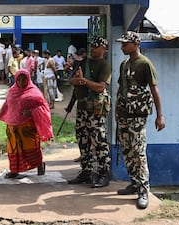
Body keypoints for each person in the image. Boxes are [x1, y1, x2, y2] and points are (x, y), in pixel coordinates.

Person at [115, 31, 165, 209]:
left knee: (139, 153)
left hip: (138, 116)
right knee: (127, 151)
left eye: (125, 43)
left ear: (136, 44)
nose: (122, 46)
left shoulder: (145, 64)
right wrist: (116, 111)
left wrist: (160, 115)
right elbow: (121, 89)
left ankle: (144, 190)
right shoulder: (124, 64)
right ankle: (135, 183)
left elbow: (154, 90)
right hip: (123, 115)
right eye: (122, 44)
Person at [0, 69, 54, 179]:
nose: (21, 82)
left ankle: (39, 165)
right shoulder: (12, 91)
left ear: (28, 79)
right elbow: (6, 105)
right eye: (19, 80)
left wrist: (31, 112)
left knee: (32, 147)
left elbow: (43, 107)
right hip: (12, 126)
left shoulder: (34, 92)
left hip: (27, 127)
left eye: (24, 79)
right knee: (13, 149)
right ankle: (14, 170)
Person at [67, 36, 112, 189]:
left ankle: (103, 173)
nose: (93, 49)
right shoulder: (83, 63)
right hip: (82, 108)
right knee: (83, 140)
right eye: (92, 46)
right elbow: (71, 81)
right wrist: (77, 80)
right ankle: (86, 171)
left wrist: (84, 81)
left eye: (97, 46)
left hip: (95, 110)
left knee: (99, 141)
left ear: (104, 49)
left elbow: (101, 87)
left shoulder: (104, 65)